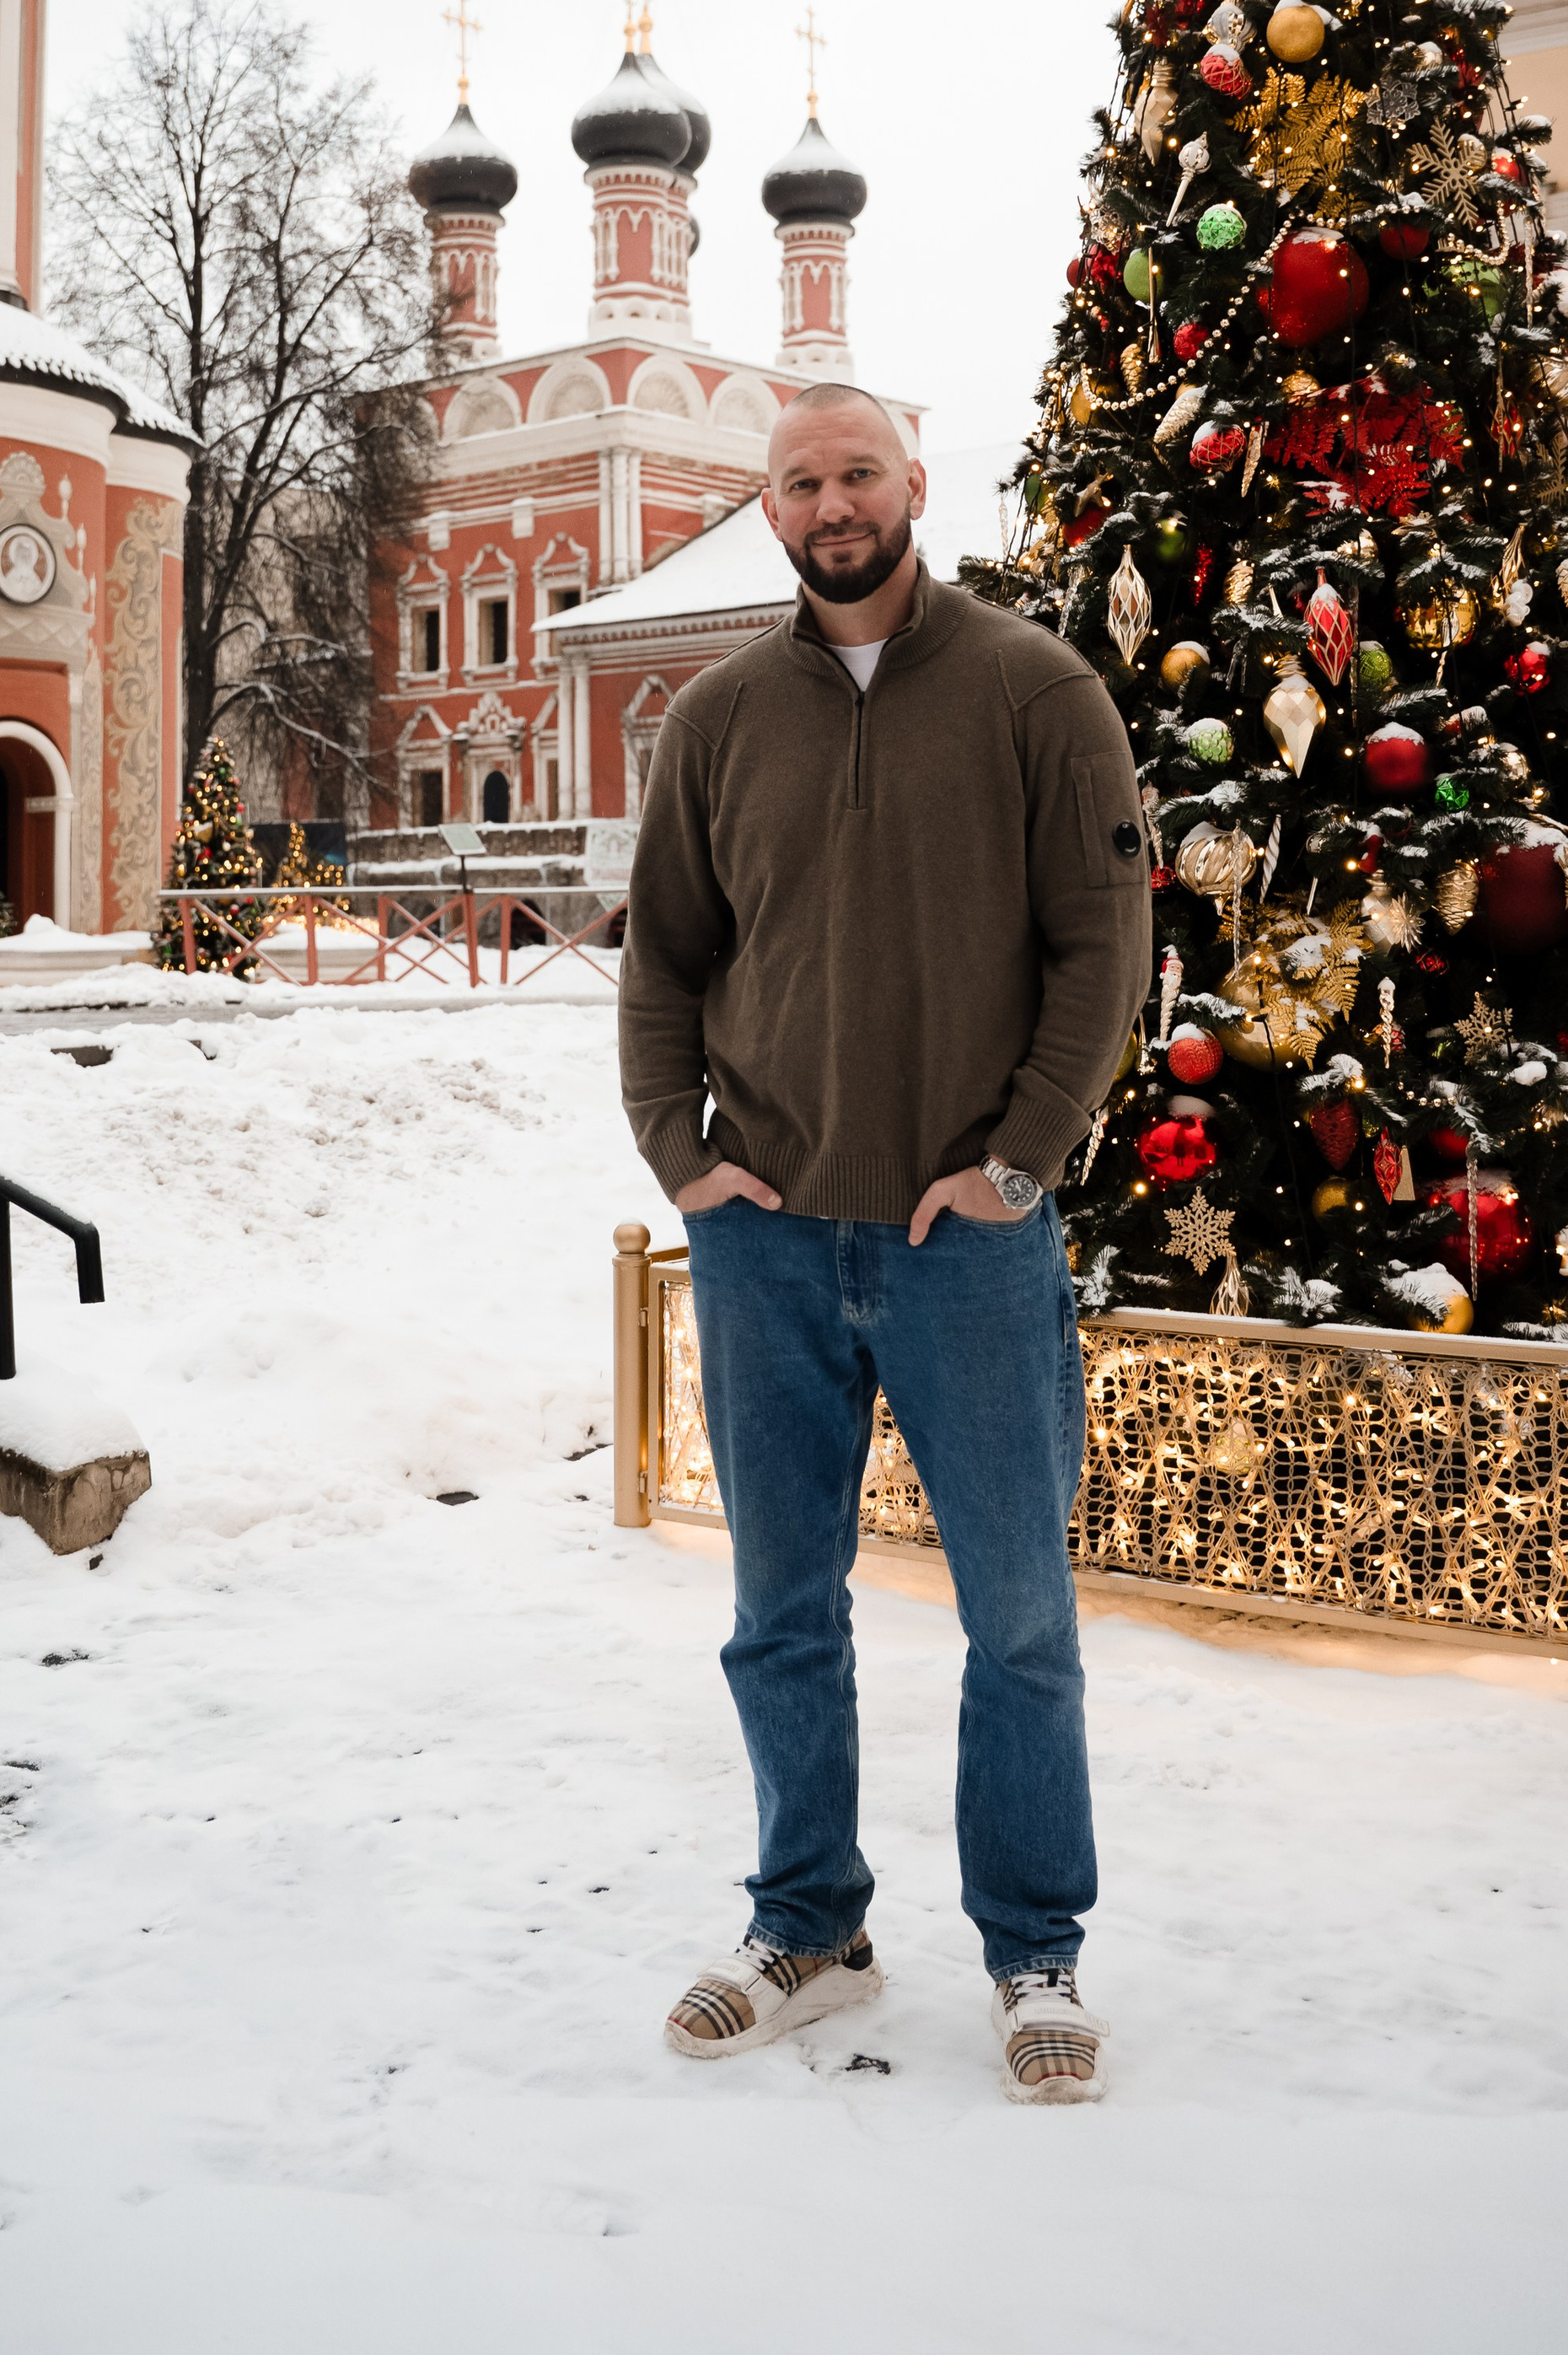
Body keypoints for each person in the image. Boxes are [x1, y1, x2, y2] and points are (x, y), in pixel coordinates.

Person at [618, 385, 1151, 2104]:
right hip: (767, 1238)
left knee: (1015, 1621)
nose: (830, 504)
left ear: (913, 484)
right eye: (798, 483)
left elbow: (1101, 945)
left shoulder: (1030, 691)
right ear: (767, 511)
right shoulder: (713, 717)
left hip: (963, 1243)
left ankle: (1033, 1952)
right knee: (780, 1612)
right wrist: (677, 1156)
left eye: (855, 474)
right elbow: (665, 961)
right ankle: (808, 1929)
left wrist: (1016, 1160)